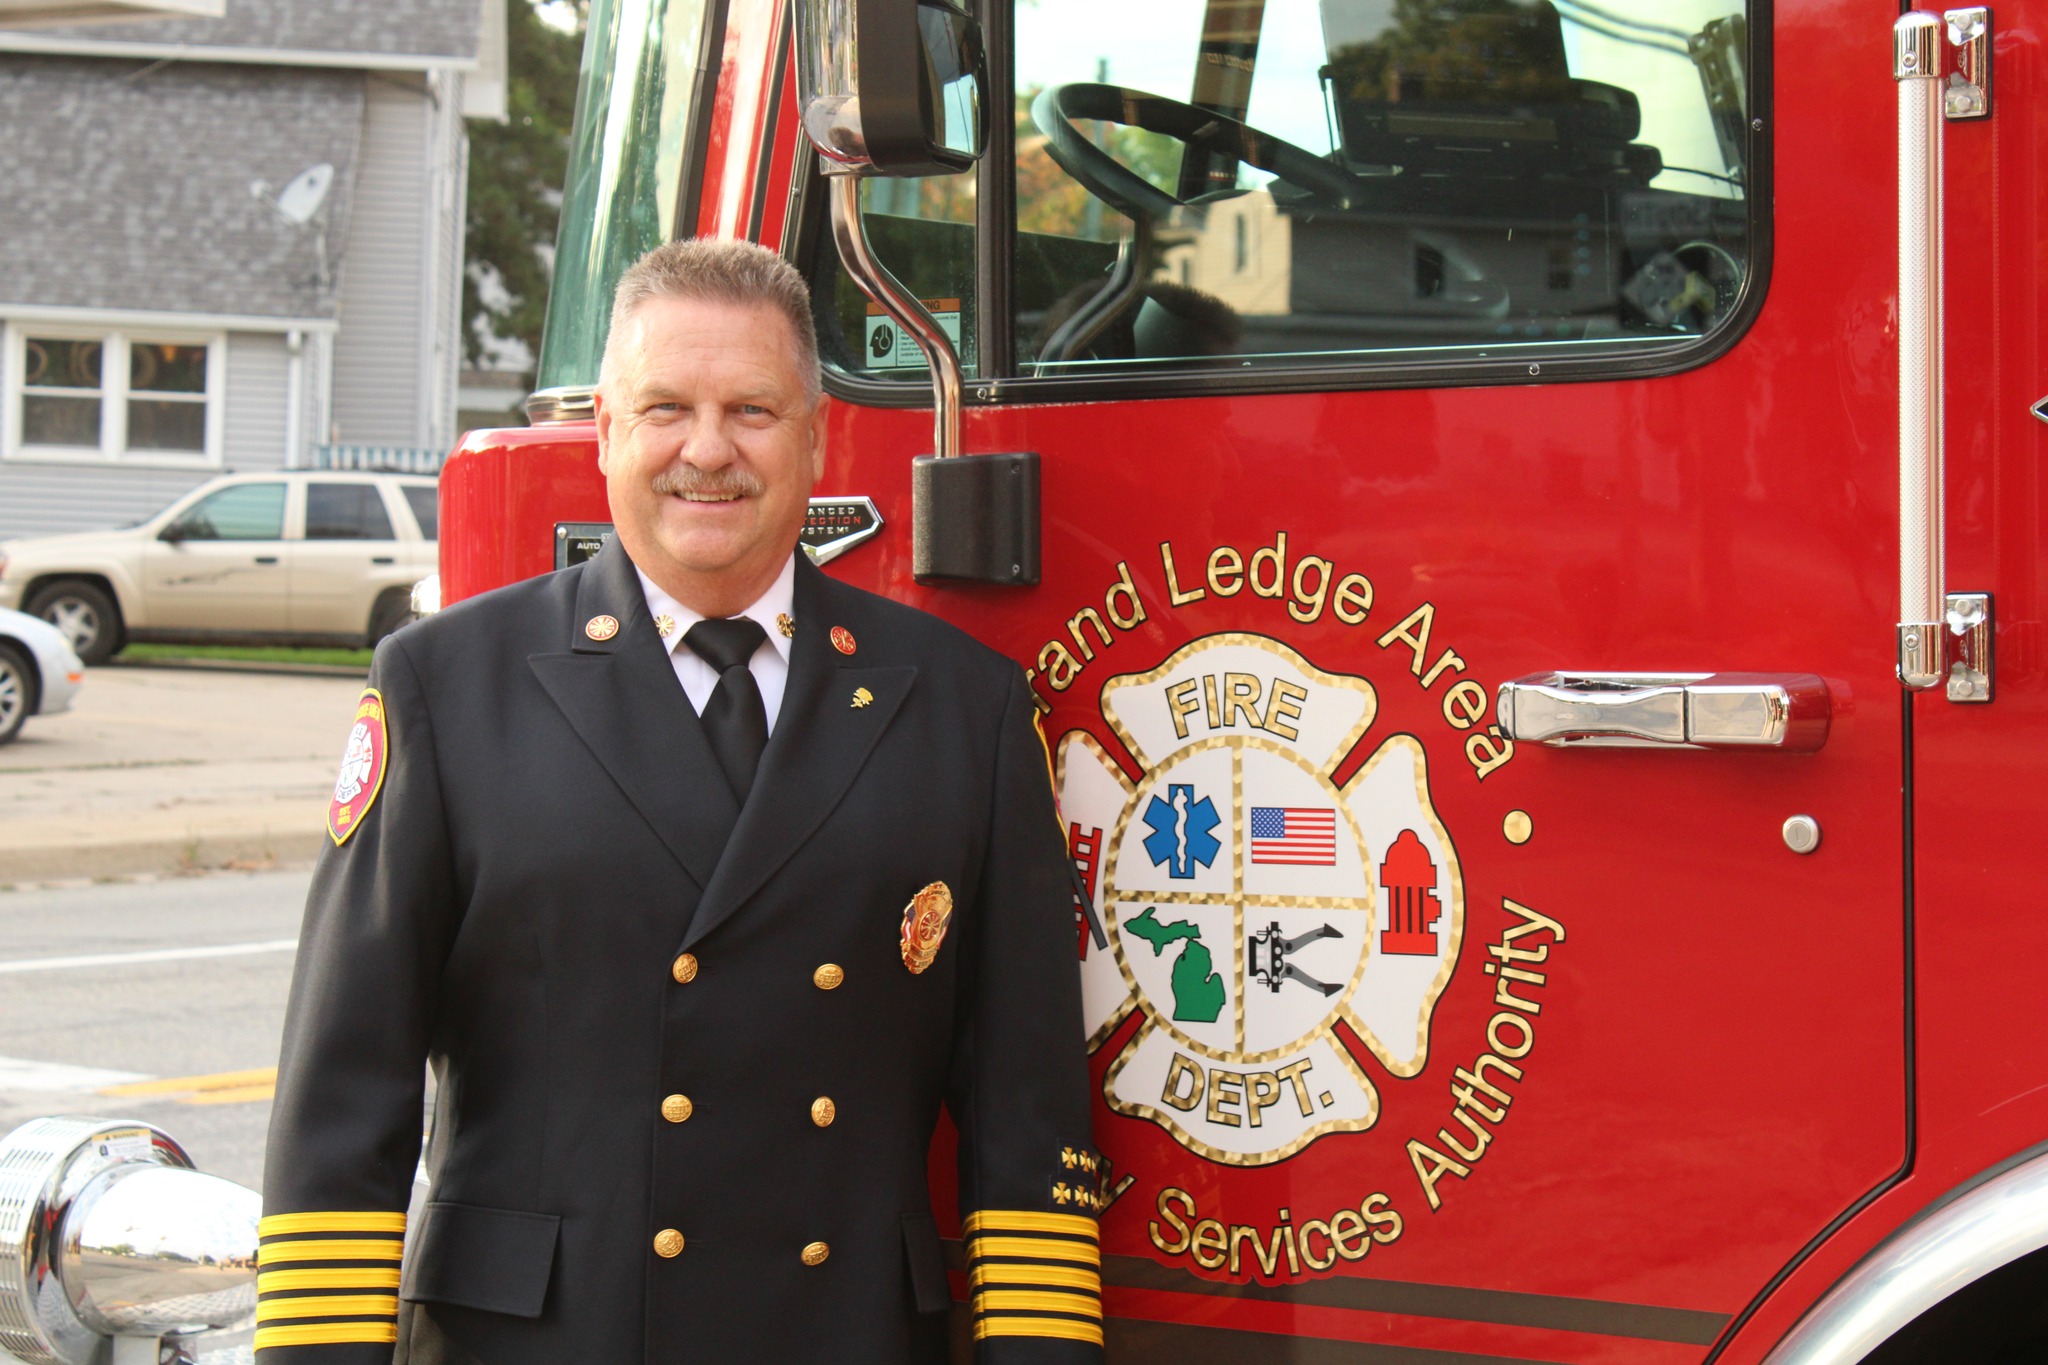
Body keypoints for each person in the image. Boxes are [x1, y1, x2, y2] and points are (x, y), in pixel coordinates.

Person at [258, 239, 1104, 1364]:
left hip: (837, 1335)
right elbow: (342, 1099)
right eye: (666, 408)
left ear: (814, 435)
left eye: (751, 410)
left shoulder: (966, 708)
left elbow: (1024, 1111)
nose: (707, 452)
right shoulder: (446, 687)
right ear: (605, 429)